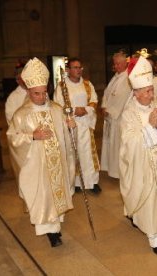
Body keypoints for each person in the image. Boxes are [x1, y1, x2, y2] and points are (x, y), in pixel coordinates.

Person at [7, 57, 75, 247]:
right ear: (28, 91)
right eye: (36, 93)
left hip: (57, 162)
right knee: (43, 197)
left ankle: (55, 226)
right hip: (37, 166)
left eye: (44, 93)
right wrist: (32, 136)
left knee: (57, 194)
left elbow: (67, 136)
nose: (41, 97)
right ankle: (49, 232)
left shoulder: (57, 108)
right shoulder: (21, 114)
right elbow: (13, 138)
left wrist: (70, 126)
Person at [119, 56, 157, 257]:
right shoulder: (129, 114)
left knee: (156, 201)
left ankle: (151, 229)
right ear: (135, 93)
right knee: (147, 199)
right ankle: (155, 239)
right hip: (143, 166)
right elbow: (129, 142)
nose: (152, 94)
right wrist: (151, 128)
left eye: (152, 90)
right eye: (147, 91)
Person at [54, 57, 101, 194]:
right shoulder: (61, 86)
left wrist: (85, 110)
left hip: (85, 123)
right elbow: (58, 105)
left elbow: (94, 100)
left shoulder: (87, 84)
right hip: (70, 124)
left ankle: (92, 182)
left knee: (88, 154)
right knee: (73, 153)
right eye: (75, 67)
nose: (78, 70)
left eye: (80, 67)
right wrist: (75, 110)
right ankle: (76, 183)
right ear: (68, 70)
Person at [101, 51, 132, 179]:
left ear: (126, 63)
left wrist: (109, 111)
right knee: (111, 145)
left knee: (118, 146)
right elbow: (106, 93)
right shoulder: (115, 77)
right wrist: (103, 105)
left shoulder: (127, 78)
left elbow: (123, 97)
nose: (116, 66)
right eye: (115, 63)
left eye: (119, 63)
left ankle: (119, 172)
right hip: (110, 117)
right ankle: (111, 169)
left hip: (119, 118)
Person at [5, 61, 28, 125]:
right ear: (17, 81)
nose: (25, 80)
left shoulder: (38, 90)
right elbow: (11, 119)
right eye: (21, 78)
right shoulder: (13, 98)